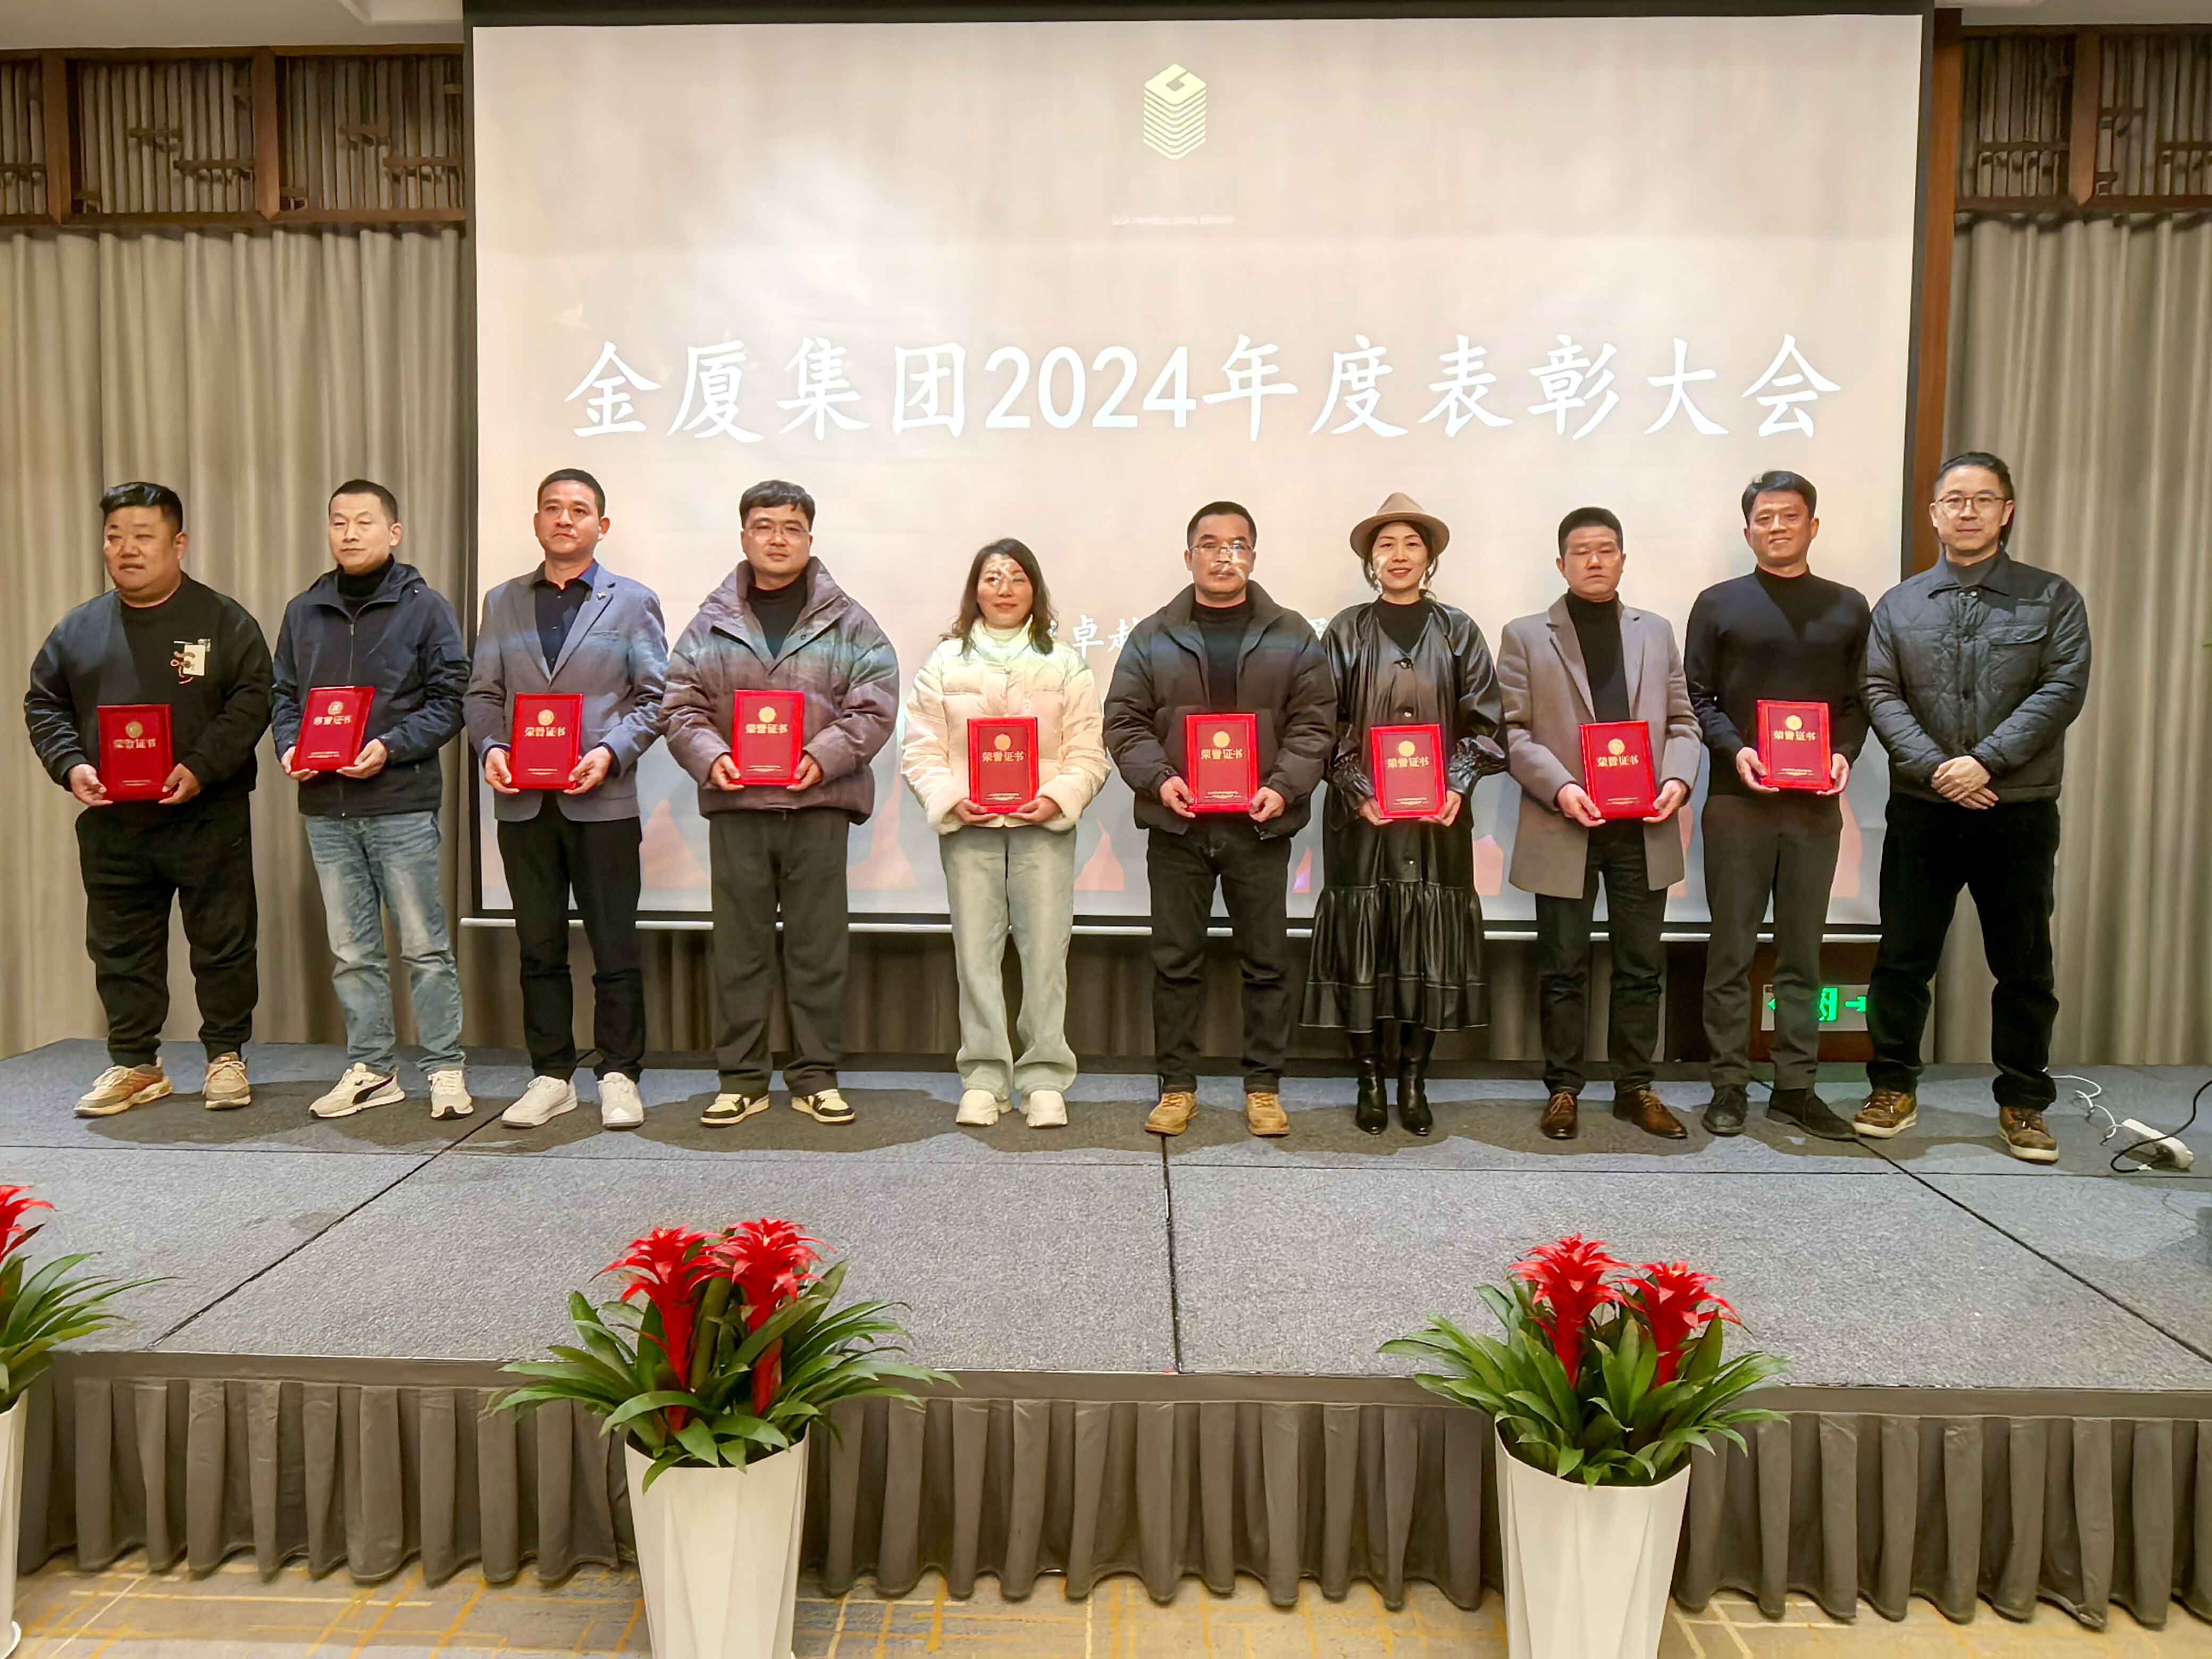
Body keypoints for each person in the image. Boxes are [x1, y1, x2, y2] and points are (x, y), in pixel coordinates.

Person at [1857, 452, 2091, 1163]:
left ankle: (2023, 1100)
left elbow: (2062, 688)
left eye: (1982, 499)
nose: (1967, 511)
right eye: (1954, 500)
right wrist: (1937, 769)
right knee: (1902, 958)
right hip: (1923, 809)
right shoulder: (1899, 605)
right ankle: (1891, 1087)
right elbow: (1878, 691)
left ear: (2006, 512)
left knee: (2023, 965)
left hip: (2015, 808)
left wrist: (1983, 762)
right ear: (1933, 514)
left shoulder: (2051, 598)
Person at [24, 482, 273, 1116]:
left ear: (178, 543)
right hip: (113, 820)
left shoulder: (223, 621)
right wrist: (71, 765)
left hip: (206, 813)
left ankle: (225, 1056)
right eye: (115, 537)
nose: (126, 550)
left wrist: (201, 765)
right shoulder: (79, 628)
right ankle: (136, 1063)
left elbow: (253, 698)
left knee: (222, 941)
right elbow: (44, 703)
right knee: (119, 947)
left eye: (143, 536)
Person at [664, 479, 897, 1130]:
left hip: (817, 804)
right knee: (739, 950)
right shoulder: (710, 622)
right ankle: (741, 1079)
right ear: (744, 536)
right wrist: (712, 756)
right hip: (737, 806)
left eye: (791, 527)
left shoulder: (850, 621)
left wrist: (822, 756)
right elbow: (678, 704)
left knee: (817, 949)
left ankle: (815, 1076)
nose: (777, 539)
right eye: (764, 526)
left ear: (809, 539)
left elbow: (876, 702)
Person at [1103, 500, 1335, 1139]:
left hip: (1259, 826)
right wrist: (1161, 779)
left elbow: (1316, 723)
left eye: (1236, 545)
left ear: (1252, 557)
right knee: (1175, 962)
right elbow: (1123, 721)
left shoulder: (1292, 633)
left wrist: (1282, 788)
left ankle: (1263, 1088)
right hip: (1178, 826)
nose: (1222, 555)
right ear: (1189, 557)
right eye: (1209, 544)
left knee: (1266, 963)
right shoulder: (1152, 635)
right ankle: (1176, 1087)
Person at [464, 468, 666, 1132]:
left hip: (602, 801)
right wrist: (492, 748)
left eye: (579, 510)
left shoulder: (632, 602)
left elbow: (655, 698)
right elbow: (482, 693)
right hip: (525, 805)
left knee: (614, 946)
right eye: (552, 508)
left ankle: (619, 1073)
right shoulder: (502, 601)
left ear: (600, 526)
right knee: (538, 948)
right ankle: (551, 1074)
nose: (564, 519)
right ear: (536, 522)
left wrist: (610, 752)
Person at [1303, 495, 1505, 1136]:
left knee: (1428, 941)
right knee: (1363, 938)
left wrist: (1457, 783)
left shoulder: (1458, 631)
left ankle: (1414, 1079)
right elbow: (1321, 721)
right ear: (1370, 560)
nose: (1398, 555)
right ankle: (1368, 1078)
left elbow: (1487, 722)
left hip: (1437, 822)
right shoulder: (1344, 631)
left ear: (1429, 557)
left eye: (1411, 544)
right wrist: (1355, 785)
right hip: (1360, 822)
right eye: (1385, 545)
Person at [1497, 507, 1701, 1143]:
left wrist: (1676, 780)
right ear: (1560, 564)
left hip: (1643, 824)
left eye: (1605, 549)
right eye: (1581, 551)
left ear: (1622, 559)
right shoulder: (1525, 635)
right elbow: (1512, 732)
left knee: (1641, 965)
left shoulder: (1655, 631)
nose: (1594, 560)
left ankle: (1634, 1088)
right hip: (1564, 823)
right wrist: (1561, 788)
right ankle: (1562, 1088)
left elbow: (1683, 722)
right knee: (1562, 966)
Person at [272, 480, 473, 1121]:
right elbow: (283, 695)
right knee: (352, 952)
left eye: (364, 521)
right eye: (339, 522)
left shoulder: (425, 608)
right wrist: (288, 746)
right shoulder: (304, 610)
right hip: (326, 808)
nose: (350, 533)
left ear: (395, 532)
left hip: (400, 803)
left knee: (424, 948)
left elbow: (451, 699)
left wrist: (390, 747)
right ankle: (373, 1068)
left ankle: (444, 1066)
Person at [899, 539, 1111, 1128]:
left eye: (1016, 577)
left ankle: (1044, 1075)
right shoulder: (945, 663)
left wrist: (1058, 796)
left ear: (1034, 590)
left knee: (1045, 954)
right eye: (992, 578)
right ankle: (985, 1076)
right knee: (975, 954)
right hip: (969, 828)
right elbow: (920, 749)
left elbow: (1088, 749)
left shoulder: (1064, 662)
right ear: (975, 591)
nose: (1004, 589)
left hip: (1044, 828)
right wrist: (950, 798)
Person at [1683, 472, 1870, 1141]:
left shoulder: (1847, 606)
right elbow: (1696, 696)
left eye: (1789, 516)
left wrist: (1843, 753)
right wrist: (1735, 750)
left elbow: (1859, 699)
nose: (1776, 527)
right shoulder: (1717, 603)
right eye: (1763, 518)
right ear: (1747, 532)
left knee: (1801, 954)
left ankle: (1795, 1088)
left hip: (1814, 806)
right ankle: (1727, 1085)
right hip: (1738, 800)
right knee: (1729, 949)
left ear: (1812, 526)